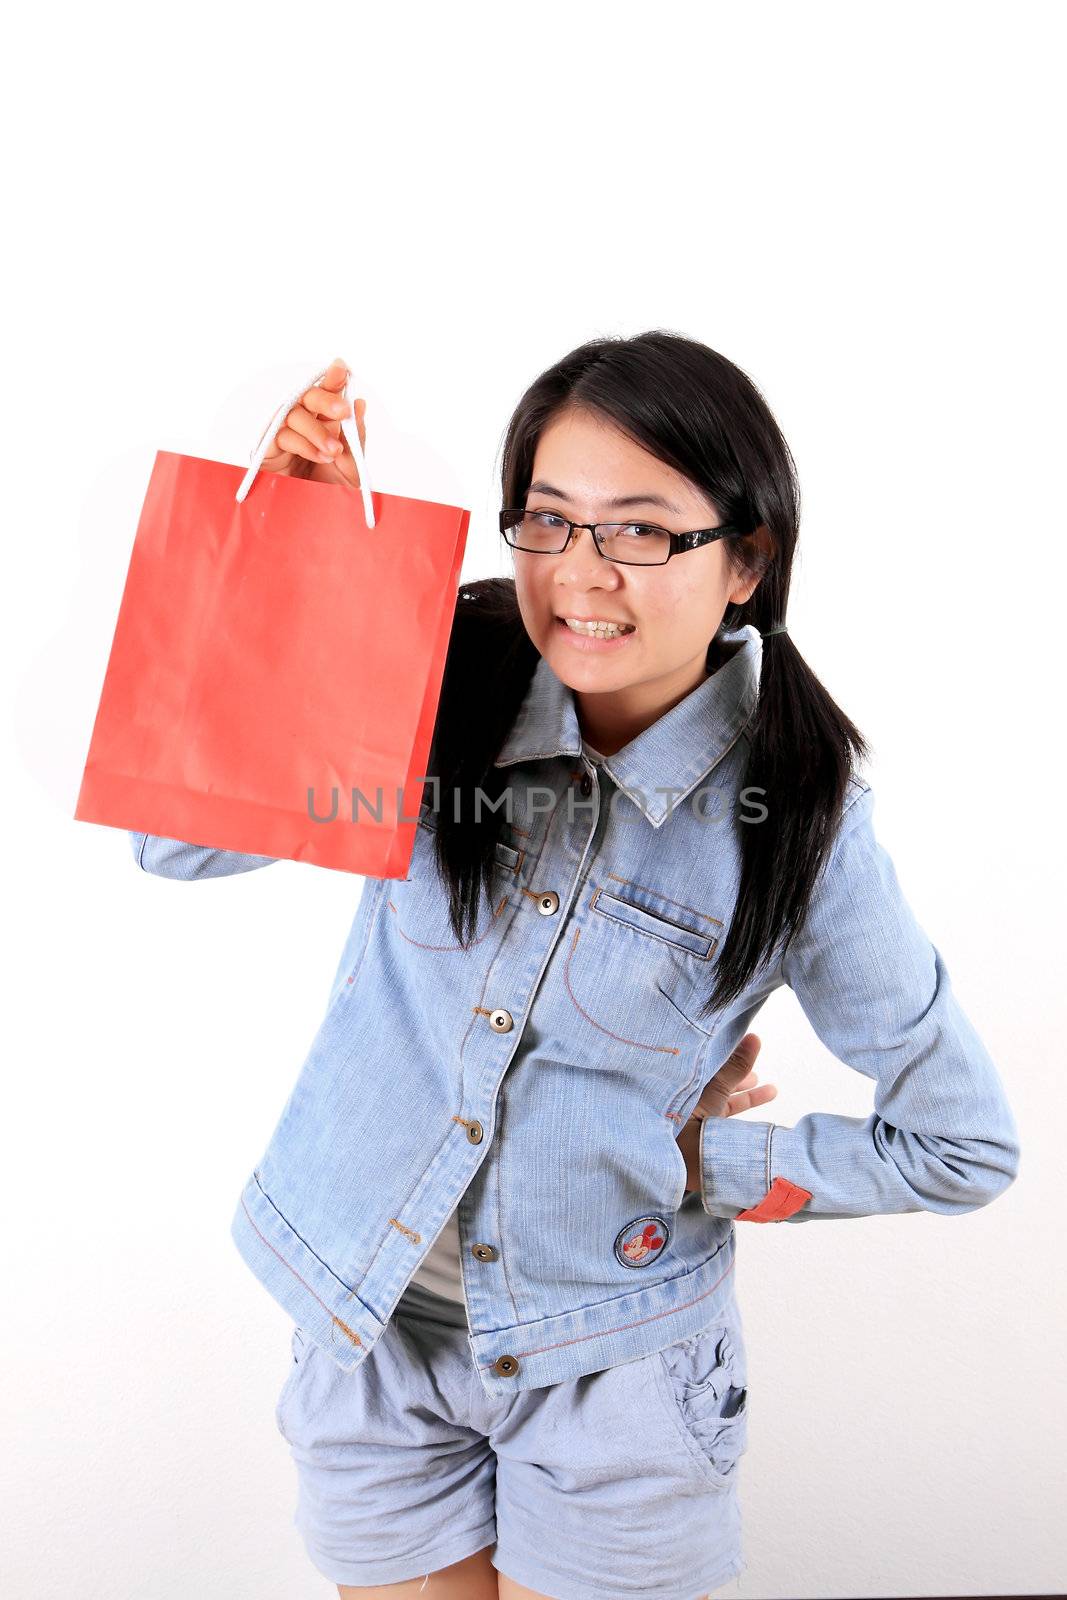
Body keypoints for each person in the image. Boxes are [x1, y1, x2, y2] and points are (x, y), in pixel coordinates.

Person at [129, 336, 1020, 1600]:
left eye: (641, 532)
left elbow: (958, 1143)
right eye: (548, 522)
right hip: (367, 1333)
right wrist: (302, 567)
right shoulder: (443, 677)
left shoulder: (803, 817)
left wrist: (704, 1164)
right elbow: (172, 844)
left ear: (746, 561)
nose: (580, 575)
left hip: (613, 1378)